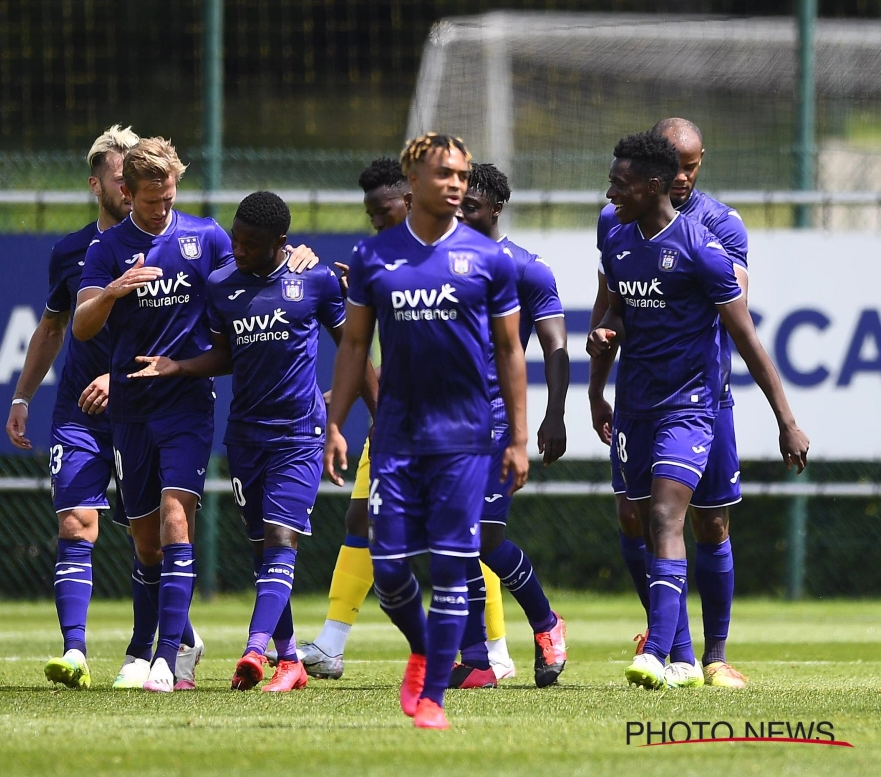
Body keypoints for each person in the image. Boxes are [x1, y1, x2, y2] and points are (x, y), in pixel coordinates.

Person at [73, 138, 317, 692]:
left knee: (175, 513)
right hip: (131, 410)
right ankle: (169, 641)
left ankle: (164, 660)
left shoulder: (203, 237)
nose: (161, 208)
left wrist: (296, 256)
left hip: (187, 405)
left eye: (168, 197)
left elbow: (256, 274)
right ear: (126, 192)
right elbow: (82, 327)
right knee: (144, 539)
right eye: (150, 200)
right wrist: (113, 291)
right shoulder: (108, 249)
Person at [589, 131, 809, 690]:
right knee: (640, 518)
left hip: (696, 403)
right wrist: (597, 377)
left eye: (620, 182)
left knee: (687, 518)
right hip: (636, 405)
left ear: (654, 183)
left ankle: (672, 652)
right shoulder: (614, 231)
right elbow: (614, 304)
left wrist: (786, 419)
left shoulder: (708, 239)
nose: (610, 191)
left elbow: (748, 340)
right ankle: (681, 655)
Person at [325, 132, 529, 729]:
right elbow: (355, 345)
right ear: (413, 180)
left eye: (462, 174)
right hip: (395, 436)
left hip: (465, 438)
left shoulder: (489, 260)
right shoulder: (373, 258)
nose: (457, 183)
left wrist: (516, 437)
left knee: (450, 567)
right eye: (445, 173)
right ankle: (422, 647)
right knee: (388, 570)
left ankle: (434, 695)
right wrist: (335, 424)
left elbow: (512, 351)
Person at [131, 191, 365, 692]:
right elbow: (225, 356)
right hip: (245, 436)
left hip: (299, 434)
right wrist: (180, 366)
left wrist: (355, 415)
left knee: (282, 541)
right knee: (261, 550)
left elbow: (354, 350)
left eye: (250, 244)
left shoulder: (316, 281)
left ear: (280, 243)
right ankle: (290, 660)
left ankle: (254, 650)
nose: (237, 249)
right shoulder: (220, 285)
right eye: (235, 239)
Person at [5, 125, 201, 690]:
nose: (131, 186)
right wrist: (23, 395)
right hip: (80, 409)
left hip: (143, 405)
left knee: (153, 537)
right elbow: (53, 326)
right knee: (76, 521)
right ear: (101, 185)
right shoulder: (74, 252)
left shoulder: (177, 244)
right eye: (121, 177)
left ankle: (166, 639)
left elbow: (189, 325)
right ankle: (75, 652)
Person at [454, 163, 569, 689]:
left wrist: (554, 415)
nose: (461, 213)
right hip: (445, 421)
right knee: (457, 539)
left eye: (471, 206)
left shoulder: (526, 269)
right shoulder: (441, 263)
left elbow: (555, 347)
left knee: (485, 537)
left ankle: (546, 625)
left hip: (499, 421)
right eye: (456, 204)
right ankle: (477, 661)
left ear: (496, 208)